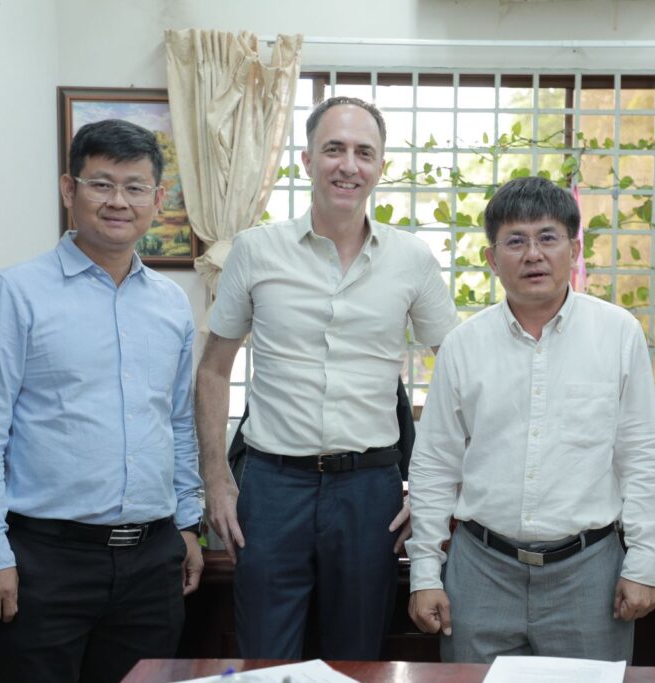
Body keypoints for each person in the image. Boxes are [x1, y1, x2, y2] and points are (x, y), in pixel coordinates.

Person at [195, 96, 458, 660]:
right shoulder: (255, 250)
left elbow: (459, 374)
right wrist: (216, 480)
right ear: (307, 159)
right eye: (334, 149)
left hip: (370, 490)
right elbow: (214, 369)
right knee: (264, 659)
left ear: (380, 165)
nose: (349, 165)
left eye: (364, 152)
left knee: (357, 657)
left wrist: (436, 489)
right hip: (271, 486)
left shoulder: (412, 259)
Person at [0, 119, 203, 683]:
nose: (119, 201)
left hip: (151, 560)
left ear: (158, 198)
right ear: (70, 189)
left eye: (135, 187)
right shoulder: (11, 294)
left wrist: (188, 524)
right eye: (101, 184)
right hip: (44, 561)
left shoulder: (171, 304)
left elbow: (178, 423)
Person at [406, 176, 655, 663]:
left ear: (574, 250)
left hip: (589, 572)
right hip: (480, 569)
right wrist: (424, 572)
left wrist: (644, 562)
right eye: (516, 241)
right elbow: (435, 462)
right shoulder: (463, 344)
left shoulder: (618, 333)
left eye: (548, 238)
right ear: (492, 259)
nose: (533, 255)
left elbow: (641, 456)